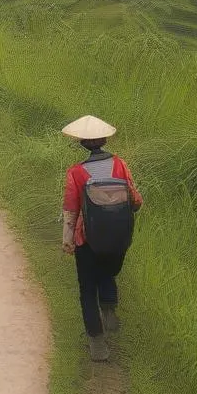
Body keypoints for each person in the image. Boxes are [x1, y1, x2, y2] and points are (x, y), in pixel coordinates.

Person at [61, 115, 143, 363]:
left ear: (82, 143)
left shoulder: (76, 172)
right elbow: (136, 201)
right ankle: (109, 311)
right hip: (118, 237)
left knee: (87, 289)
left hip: (87, 240)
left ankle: (97, 343)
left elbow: (71, 210)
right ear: (105, 140)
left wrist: (67, 240)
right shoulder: (120, 164)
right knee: (108, 274)